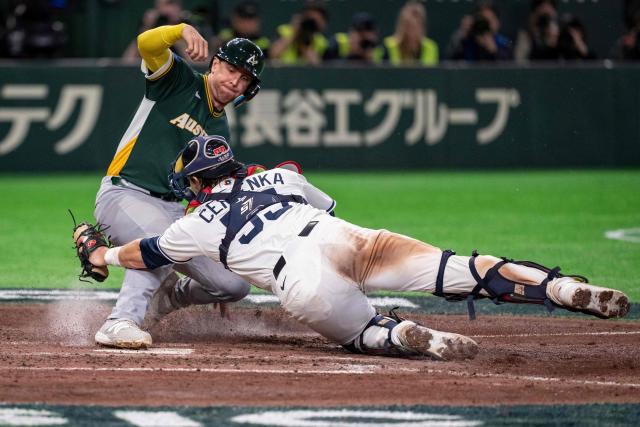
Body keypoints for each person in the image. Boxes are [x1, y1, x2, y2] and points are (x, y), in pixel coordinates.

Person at [83, 135, 630, 360]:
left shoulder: (197, 221)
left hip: (298, 279)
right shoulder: (280, 176)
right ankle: (557, 286)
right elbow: (328, 210)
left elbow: (143, 254)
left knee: (363, 329)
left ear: (197, 183)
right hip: (340, 238)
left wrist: (99, 255)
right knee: (462, 267)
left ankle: (399, 334)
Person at [93, 22, 266, 349]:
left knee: (233, 284)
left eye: (244, 79)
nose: (234, 81)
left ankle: (167, 299)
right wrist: (181, 30)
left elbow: (207, 196)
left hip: (175, 210)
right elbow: (147, 44)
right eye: (231, 69)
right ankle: (119, 321)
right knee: (163, 244)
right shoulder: (179, 80)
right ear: (215, 64)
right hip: (125, 193)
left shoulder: (221, 132)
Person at [448, 2, 513, 62]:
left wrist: (494, 50)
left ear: (497, 23)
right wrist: (462, 34)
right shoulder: (466, 41)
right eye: (483, 20)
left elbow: (510, 69)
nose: (485, 24)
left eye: (489, 20)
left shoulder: (504, 43)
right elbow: (451, 63)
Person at [382, 1, 438, 66]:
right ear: (402, 26)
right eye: (408, 26)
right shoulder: (388, 45)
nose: (412, 31)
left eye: (416, 26)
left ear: (422, 26)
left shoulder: (431, 47)